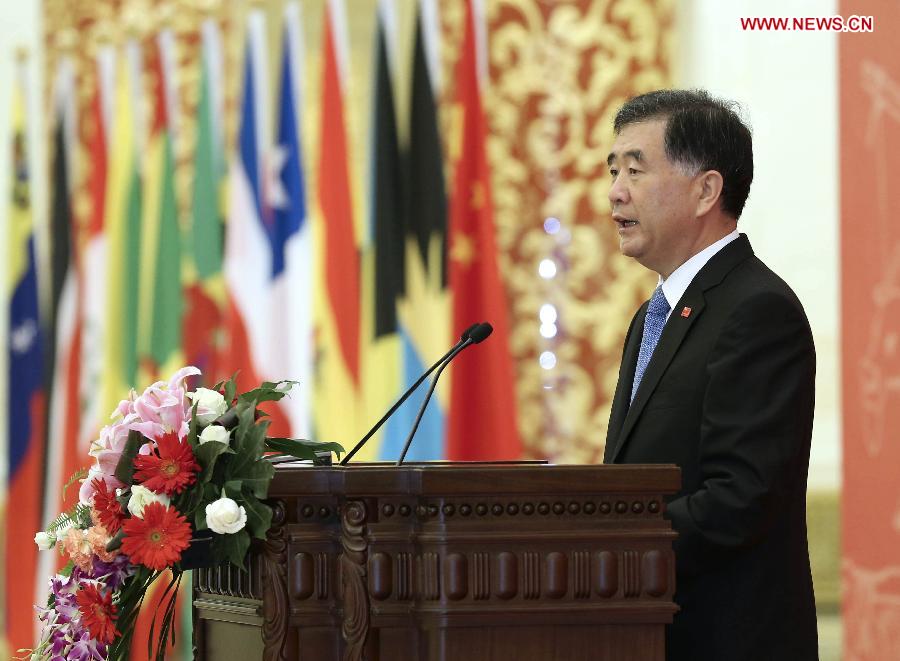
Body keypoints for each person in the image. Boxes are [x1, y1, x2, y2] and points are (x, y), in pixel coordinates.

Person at [603, 89, 818, 660]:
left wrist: (607, 543)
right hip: (653, 632)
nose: (615, 192)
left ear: (706, 190)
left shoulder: (756, 309)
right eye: (613, 169)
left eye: (635, 169)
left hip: (727, 638)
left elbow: (739, 499)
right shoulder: (653, 316)